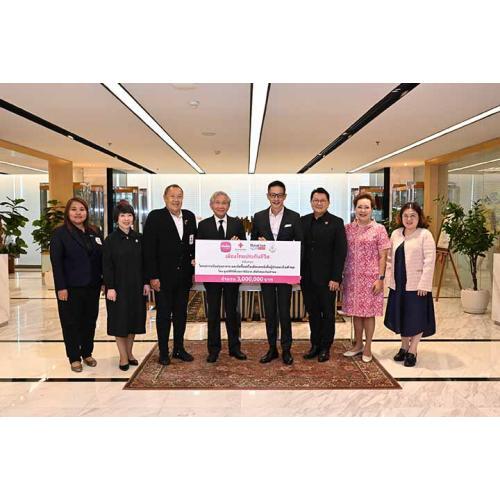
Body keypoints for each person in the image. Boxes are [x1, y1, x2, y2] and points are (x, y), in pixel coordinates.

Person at [143, 185, 197, 366]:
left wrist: (194, 270)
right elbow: (149, 249)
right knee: (164, 316)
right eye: (172, 196)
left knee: (181, 315)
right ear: (165, 198)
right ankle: (164, 351)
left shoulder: (189, 217)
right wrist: (152, 276)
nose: (176, 200)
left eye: (179, 196)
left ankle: (179, 348)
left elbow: (193, 246)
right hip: (163, 278)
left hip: (184, 277)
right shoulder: (155, 217)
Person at [251, 180, 303, 365]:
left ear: (285, 196)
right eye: (273, 195)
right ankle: (272, 348)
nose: (276, 198)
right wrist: (259, 245)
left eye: (279, 195)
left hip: (285, 273)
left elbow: (299, 245)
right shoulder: (258, 217)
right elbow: (253, 244)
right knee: (270, 311)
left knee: (284, 312)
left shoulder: (294, 217)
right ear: (268, 196)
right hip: (266, 272)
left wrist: (296, 270)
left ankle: (286, 349)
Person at [50, 197, 103, 372]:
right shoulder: (60, 233)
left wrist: (104, 281)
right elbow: (56, 263)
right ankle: (74, 357)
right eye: (74, 209)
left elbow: (101, 258)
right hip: (70, 288)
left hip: (92, 286)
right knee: (71, 323)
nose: (78, 213)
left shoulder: (94, 231)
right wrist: (61, 287)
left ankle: (87, 353)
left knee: (90, 321)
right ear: (68, 212)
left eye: (82, 209)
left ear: (87, 212)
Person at [384, 202, 436, 367]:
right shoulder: (396, 234)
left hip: (417, 285)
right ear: (401, 218)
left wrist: (424, 284)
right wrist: (388, 280)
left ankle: (413, 350)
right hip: (398, 284)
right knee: (402, 315)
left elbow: (430, 261)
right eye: (405, 215)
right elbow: (389, 259)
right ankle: (404, 346)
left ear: (419, 217)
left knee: (416, 317)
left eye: (413, 215)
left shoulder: (425, 235)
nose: (409, 219)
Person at [197, 191, 247, 363]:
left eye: (224, 203)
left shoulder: (237, 224)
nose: (221, 206)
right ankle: (213, 350)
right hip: (212, 278)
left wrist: (237, 245)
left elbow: (244, 248)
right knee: (213, 313)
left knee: (232, 312)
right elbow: (199, 250)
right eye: (217, 202)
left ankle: (235, 348)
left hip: (232, 276)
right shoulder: (203, 225)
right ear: (211, 205)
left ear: (229, 205)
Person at [342, 193, 391, 363]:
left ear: (372, 209)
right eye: (359, 207)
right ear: (355, 208)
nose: (363, 210)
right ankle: (358, 345)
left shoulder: (379, 229)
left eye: (366, 207)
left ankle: (368, 347)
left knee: (369, 314)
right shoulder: (348, 229)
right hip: (352, 278)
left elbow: (383, 256)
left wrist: (380, 278)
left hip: (371, 278)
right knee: (356, 313)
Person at [301, 188, 347, 362]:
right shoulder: (303, 221)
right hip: (307, 278)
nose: (319, 203)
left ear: (328, 203)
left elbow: (340, 252)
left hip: (328, 279)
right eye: (315, 200)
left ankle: (325, 347)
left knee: (327, 314)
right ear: (311, 202)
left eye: (322, 200)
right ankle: (315, 345)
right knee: (312, 313)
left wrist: (336, 277)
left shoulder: (336, 222)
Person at [103, 203, 150, 371]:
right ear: (116, 219)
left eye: (129, 215)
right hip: (118, 289)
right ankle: (123, 357)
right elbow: (107, 266)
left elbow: (145, 263)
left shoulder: (140, 238)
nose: (126, 219)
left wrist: (146, 282)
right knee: (120, 322)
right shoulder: (110, 240)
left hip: (137, 287)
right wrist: (110, 287)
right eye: (122, 215)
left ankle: (130, 353)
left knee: (134, 321)